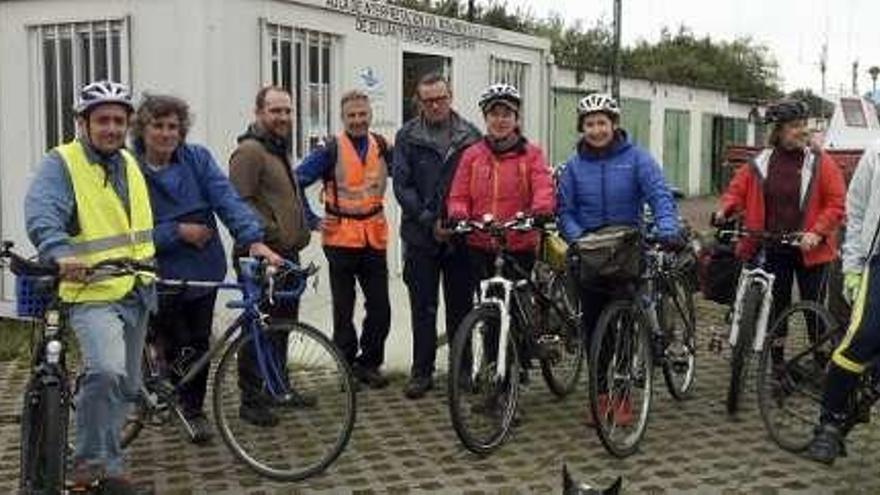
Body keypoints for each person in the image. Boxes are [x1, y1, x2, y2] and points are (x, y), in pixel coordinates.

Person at [24, 80, 154, 493]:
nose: (112, 128)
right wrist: (59, 252)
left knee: (127, 386)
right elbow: (43, 212)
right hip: (92, 292)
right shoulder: (60, 163)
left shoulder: (130, 162)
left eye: (119, 120)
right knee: (107, 371)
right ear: (83, 122)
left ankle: (94, 443)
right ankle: (94, 470)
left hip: (137, 288)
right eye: (103, 120)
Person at [131, 93, 281, 443]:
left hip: (201, 269)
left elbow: (226, 199)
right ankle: (155, 385)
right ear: (143, 128)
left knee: (198, 344)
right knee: (173, 340)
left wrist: (253, 239)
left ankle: (193, 410)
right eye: (158, 126)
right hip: (157, 269)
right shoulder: (129, 167)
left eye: (173, 127)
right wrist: (176, 231)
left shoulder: (196, 159)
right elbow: (123, 231)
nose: (167, 133)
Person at [556, 92, 680, 425]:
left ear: (614, 124)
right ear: (581, 128)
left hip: (628, 251)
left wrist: (667, 227)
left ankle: (623, 397)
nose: (596, 130)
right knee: (596, 331)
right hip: (591, 254)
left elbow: (659, 195)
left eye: (602, 123)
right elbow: (564, 212)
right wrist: (579, 239)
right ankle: (599, 399)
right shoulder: (572, 167)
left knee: (624, 325)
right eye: (589, 124)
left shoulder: (637, 159)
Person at [716, 100, 845, 363]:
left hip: (811, 248)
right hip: (773, 244)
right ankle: (777, 365)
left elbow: (836, 202)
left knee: (815, 309)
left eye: (804, 125)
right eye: (794, 126)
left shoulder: (820, 161)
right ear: (778, 130)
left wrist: (817, 233)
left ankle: (820, 361)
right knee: (776, 308)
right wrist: (723, 210)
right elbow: (736, 190)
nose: (802, 131)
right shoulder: (761, 163)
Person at [295, 90, 393, 389]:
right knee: (344, 307)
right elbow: (295, 180)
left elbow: (406, 174)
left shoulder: (382, 145)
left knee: (380, 307)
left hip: (373, 235)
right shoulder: (330, 149)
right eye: (352, 115)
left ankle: (370, 363)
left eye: (362, 114)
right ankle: (346, 365)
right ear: (343, 118)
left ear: (370, 115)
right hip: (340, 239)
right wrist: (312, 220)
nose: (358, 120)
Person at [229, 86, 313, 426]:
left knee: (281, 326)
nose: (283, 117)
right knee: (257, 328)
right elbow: (239, 201)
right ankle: (251, 400)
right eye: (275, 111)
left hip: (286, 255)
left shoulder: (277, 149)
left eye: (287, 111)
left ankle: (279, 388)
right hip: (261, 256)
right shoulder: (249, 152)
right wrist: (272, 233)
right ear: (259, 112)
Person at [393, 73, 481, 399]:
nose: (435, 105)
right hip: (420, 236)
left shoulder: (471, 136)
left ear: (451, 96)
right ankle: (422, 372)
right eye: (427, 100)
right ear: (419, 102)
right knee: (423, 308)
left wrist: (457, 222)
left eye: (440, 98)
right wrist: (430, 220)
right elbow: (401, 185)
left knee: (461, 307)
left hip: (460, 237)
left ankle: (462, 372)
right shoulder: (407, 136)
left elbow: (478, 183)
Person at [804, 140, 880, 464]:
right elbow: (857, 208)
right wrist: (852, 267)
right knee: (863, 338)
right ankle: (829, 423)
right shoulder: (876, 151)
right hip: (877, 261)